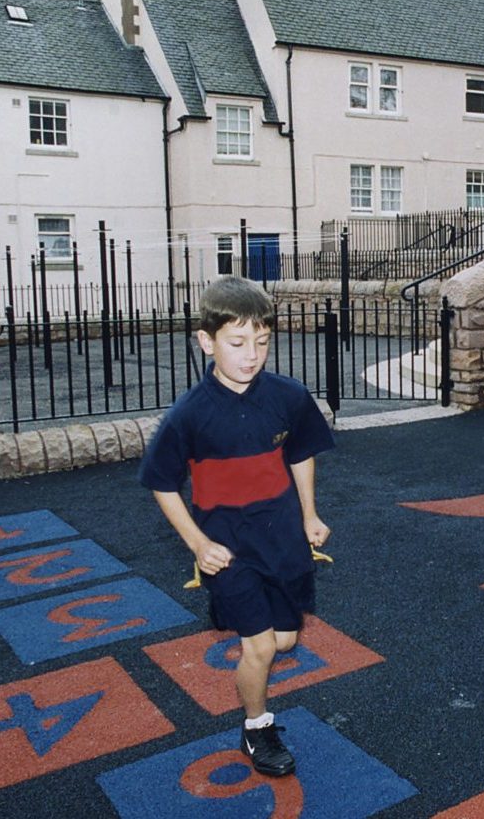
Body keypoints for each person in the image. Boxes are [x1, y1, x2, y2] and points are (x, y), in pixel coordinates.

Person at [139, 276, 335, 778]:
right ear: (207, 341)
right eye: (237, 343)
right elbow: (162, 483)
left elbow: (301, 453)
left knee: (287, 639)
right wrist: (199, 544)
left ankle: (245, 625)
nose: (252, 355)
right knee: (262, 646)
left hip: (282, 536)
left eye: (262, 342)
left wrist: (309, 513)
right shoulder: (190, 414)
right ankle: (256, 726)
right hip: (227, 547)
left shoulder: (288, 396)